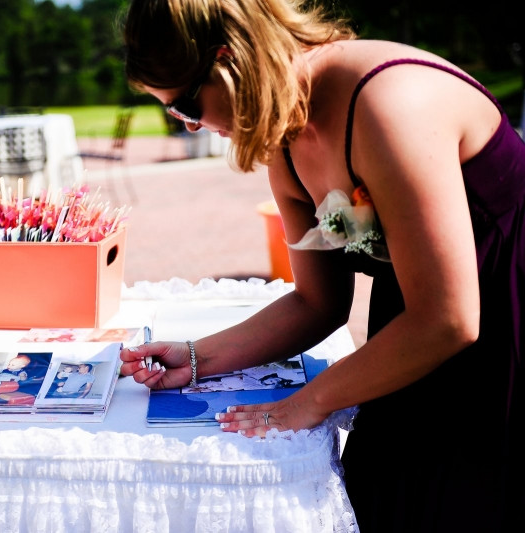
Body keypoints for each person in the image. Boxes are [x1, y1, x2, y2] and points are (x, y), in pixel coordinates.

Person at [117, 1, 525, 531]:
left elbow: (448, 318)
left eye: (185, 108)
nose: (191, 125)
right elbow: (317, 300)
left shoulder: (386, 104)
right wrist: (196, 358)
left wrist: (305, 405)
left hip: (502, 333)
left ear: (228, 62)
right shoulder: (284, 145)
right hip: (408, 338)